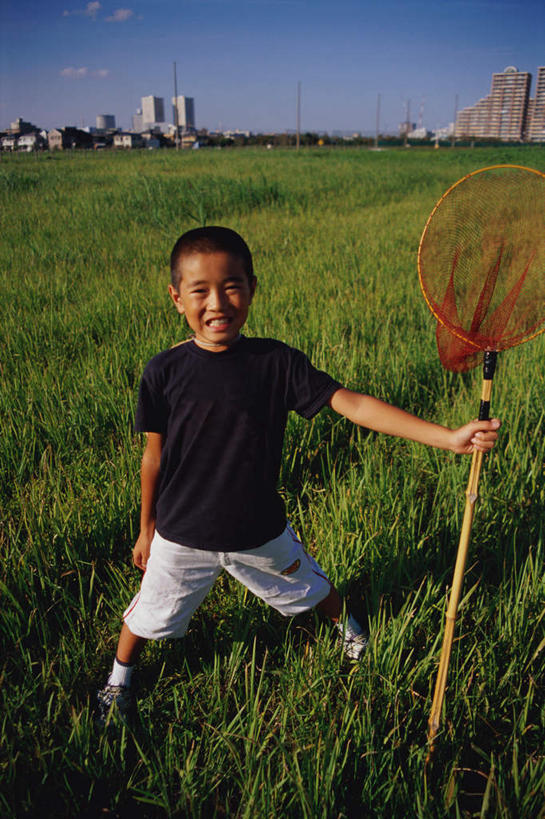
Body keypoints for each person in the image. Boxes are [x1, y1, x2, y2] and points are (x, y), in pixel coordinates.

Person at [97, 226, 500, 722]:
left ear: (252, 288)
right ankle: (120, 679)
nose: (218, 302)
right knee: (147, 615)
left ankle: (351, 632)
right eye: (200, 291)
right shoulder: (163, 372)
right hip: (182, 534)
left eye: (232, 285)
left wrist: (448, 437)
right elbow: (152, 457)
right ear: (177, 298)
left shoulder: (276, 362)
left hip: (259, 529)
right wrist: (146, 528)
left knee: (311, 589)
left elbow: (352, 404)